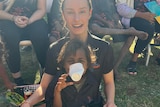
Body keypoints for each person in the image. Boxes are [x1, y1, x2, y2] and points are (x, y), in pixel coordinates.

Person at [21, 0, 117, 107]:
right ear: (63, 15)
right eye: (70, 12)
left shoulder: (104, 48)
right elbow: (43, 87)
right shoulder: (55, 49)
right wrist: (28, 103)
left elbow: (109, 82)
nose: (76, 19)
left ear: (90, 13)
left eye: (82, 11)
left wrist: (110, 101)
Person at [89, 0, 148, 77]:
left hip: (111, 23)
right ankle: (128, 31)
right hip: (98, 22)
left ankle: (115, 67)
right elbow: (93, 14)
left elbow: (115, 12)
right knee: (95, 29)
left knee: (131, 37)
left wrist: (117, 22)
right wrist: (106, 22)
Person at [0, 0, 49, 85]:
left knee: (40, 33)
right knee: (10, 36)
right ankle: (17, 78)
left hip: (33, 19)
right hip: (9, 19)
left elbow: (41, 9)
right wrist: (14, 18)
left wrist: (29, 21)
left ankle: (46, 73)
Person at [45, 38, 104, 107]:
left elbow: (97, 103)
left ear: (87, 64)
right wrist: (57, 92)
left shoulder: (92, 83)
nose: (75, 65)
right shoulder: (58, 82)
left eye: (81, 61)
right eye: (71, 61)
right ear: (64, 64)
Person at [115, 0, 160, 75]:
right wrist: (144, 16)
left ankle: (159, 57)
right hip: (132, 17)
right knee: (148, 29)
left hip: (152, 15)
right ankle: (133, 60)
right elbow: (121, 9)